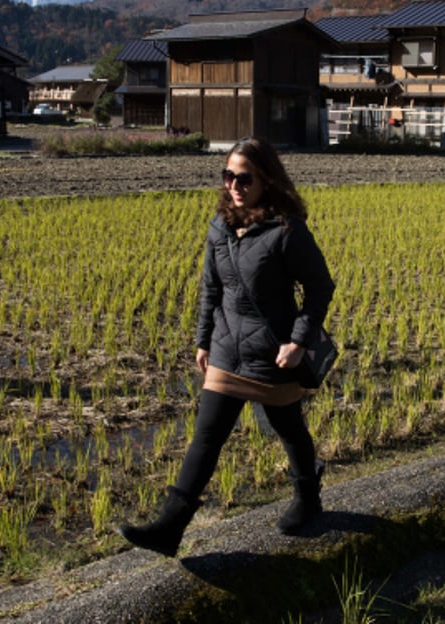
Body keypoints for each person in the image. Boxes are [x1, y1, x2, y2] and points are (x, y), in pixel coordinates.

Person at [118, 136, 335, 556]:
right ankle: (169, 528)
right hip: (225, 348)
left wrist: (297, 341)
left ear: (266, 180)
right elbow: (210, 288)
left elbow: (320, 287)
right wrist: (203, 340)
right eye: (228, 175)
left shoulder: (286, 230)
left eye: (244, 177)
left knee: (288, 429)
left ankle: (308, 498)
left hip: (272, 353)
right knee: (207, 436)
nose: (234, 185)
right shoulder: (219, 225)